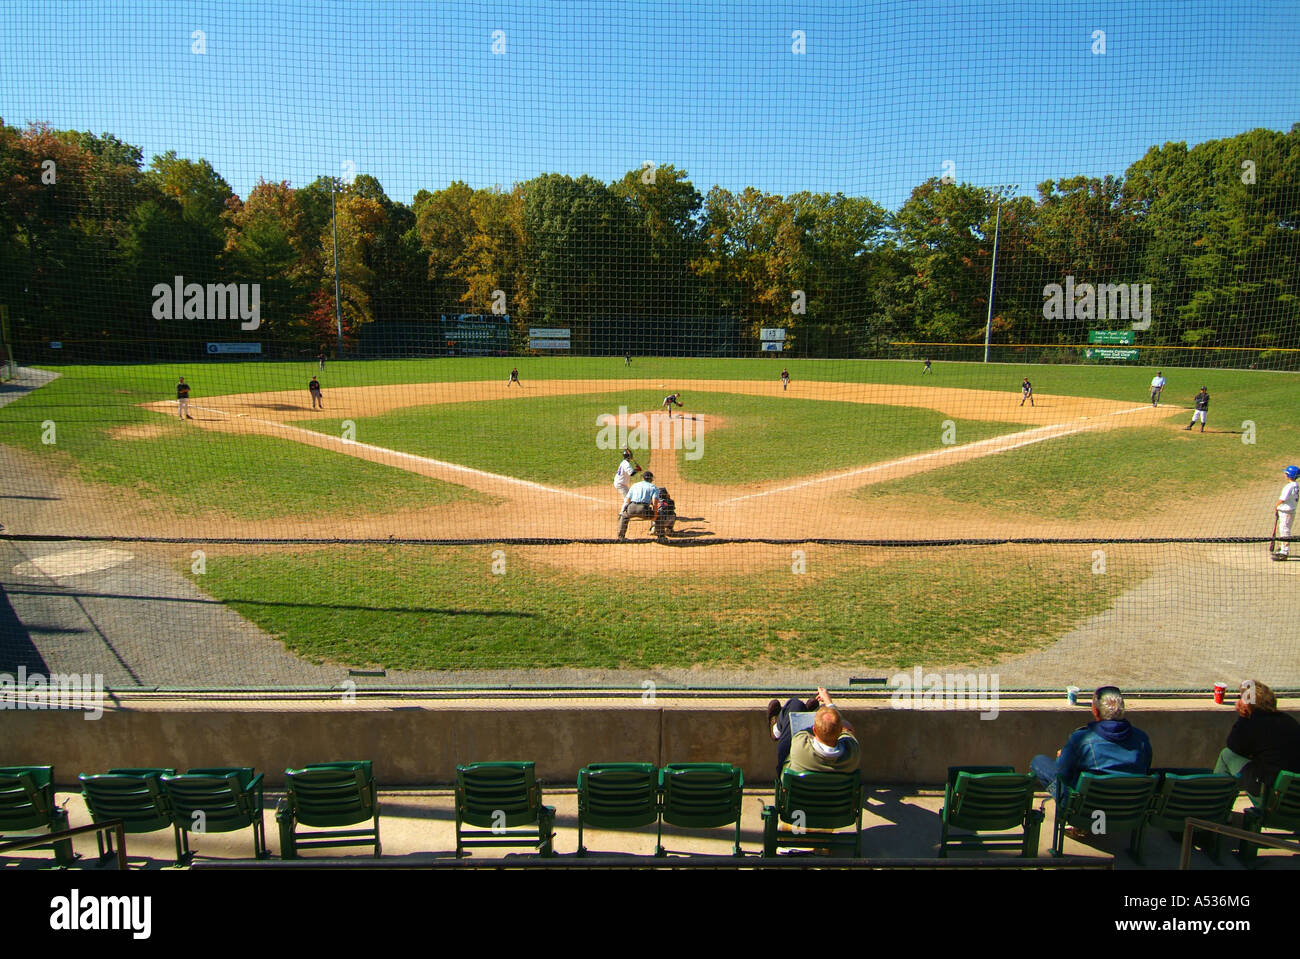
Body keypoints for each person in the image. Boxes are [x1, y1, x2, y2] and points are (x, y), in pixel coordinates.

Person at [1030, 686, 1152, 804]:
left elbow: (1063, 776)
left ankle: (1064, 804)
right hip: (1130, 810)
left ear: (1095, 711)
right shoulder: (1142, 739)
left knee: (1038, 762)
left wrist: (1063, 757)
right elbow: (1145, 769)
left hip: (1087, 813)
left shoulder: (1081, 739)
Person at [1214, 680, 1300, 799]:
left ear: (1249, 704)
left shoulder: (1254, 723)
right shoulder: (1289, 721)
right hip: (1294, 797)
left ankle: (1215, 804)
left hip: (1271, 797)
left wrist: (1243, 716)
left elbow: (1233, 745)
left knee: (1227, 755)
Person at [766, 687, 860, 777]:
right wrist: (829, 703)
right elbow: (848, 727)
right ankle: (810, 712)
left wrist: (827, 702)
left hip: (796, 788)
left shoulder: (800, 744)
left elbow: (799, 729)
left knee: (795, 704)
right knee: (807, 708)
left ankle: (775, 731)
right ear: (840, 731)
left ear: (814, 730)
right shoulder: (852, 750)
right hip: (837, 792)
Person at [617, 470, 657, 540]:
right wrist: (655, 515)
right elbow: (655, 502)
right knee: (658, 516)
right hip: (644, 509)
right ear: (651, 479)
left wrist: (623, 511)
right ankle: (659, 534)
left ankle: (621, 537)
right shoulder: (653, 487)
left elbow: (627, 500)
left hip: (632, 508)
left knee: (624, 517)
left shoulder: (635, 485)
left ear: (643, 478)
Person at [1273, 466, 1299, 560]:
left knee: (1284, 530)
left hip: (1286, 511)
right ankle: (1283, 548)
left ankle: (1284, 552)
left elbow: (1282, 499)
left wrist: (1276, 506)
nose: (1285, 475)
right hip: (1290, 510)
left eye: (1286, 473)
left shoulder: (1288, 486)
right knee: (1285, 529)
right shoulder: (1296, 485)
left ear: (1289, 475)